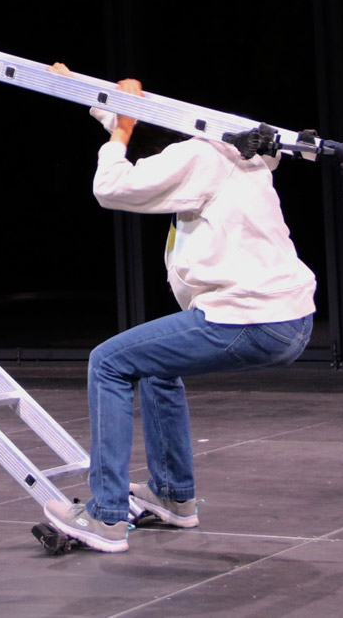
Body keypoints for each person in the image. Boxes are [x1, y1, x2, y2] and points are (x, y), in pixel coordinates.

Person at [42, 66, 316, 553]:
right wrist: (88, 96)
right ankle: (173, 495)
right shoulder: (234, 153)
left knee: (108, 362)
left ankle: (105, 517)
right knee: (156, 368)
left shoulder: (197, 157)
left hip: (247, 316)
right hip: (288, 318)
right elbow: (142, 130)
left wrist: (121, 129)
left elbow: (111, 185)